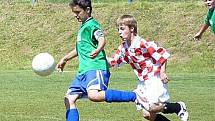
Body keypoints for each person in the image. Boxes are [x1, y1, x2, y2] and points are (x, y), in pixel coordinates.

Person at [56, 1, 147, 121]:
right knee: (69, 99)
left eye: (78, 12)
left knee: (94, 95)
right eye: (74, 13)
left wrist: (98, 49)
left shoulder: (92, 25)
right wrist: (65, 59)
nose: (75, 15)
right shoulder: (83, 27)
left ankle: (135, 96)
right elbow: (79, 49)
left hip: (95, 67)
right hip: (83, 71)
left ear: (87, 10)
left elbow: (102, 39)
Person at [108, 14, 189, 121]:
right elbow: (114, 62)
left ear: (132, 28)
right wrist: (98, 55)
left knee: (151, 107)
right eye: (118, 29)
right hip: (143, 81)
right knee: (148, 115)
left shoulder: (142, 43)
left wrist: (163, 72)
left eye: (122, 29)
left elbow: (162, 55)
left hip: (154, 77)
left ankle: (178, 107)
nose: (119, 32)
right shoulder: (123, 48)